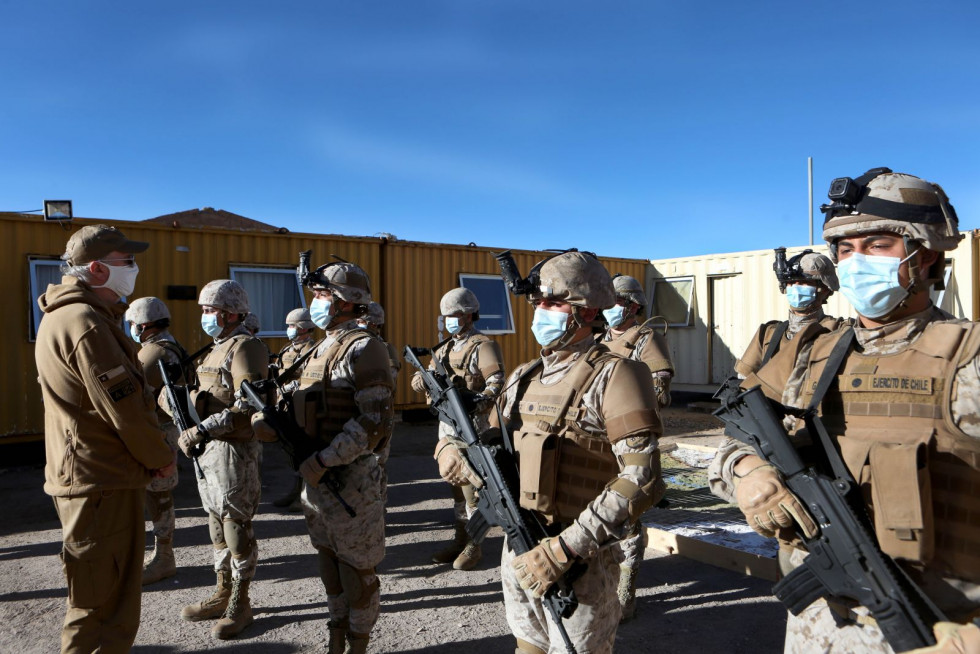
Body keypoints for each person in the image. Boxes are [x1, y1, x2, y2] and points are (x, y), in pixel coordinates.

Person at [712, 168, 980, 653]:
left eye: (877, 245)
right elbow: (736, 438)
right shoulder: (814, 351)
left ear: (927, 255)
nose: (856, 262)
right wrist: (747, 472)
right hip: (819, 626)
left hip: (937, 630)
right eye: (845, 249)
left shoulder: (969, 357)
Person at [438, 251, 665, 654]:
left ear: (585, 309)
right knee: (527, 647)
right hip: (519, 544)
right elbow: (487, 442)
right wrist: (449, 449)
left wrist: (566, 548)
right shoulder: (523, 375)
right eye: (538, 302)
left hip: (579, 557)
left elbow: (641, 479)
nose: (540, 311)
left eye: (552, 302)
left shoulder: (618, 375)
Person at [35, 224, 175, 654]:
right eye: (126, 261)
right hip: (101, 482)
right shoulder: (86, 323)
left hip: (99, 476)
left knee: (106, 594)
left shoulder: (80, 316)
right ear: (96, 269)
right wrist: (160, 456)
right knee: (100, 606)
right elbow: (125, 409)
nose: (134, 268)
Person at [255, 260, 394, 654]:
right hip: (316, 478)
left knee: (356, 569)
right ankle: (337, 630)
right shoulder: (318, 349)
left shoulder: (366, 348)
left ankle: (359, 641)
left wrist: (326, 460)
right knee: (328, 559)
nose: (315, 303)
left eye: (321, 295)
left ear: (346, 301)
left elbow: (374, 423)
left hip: (350, 481)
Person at [177, 280, 268, 640]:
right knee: (216, 524)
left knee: (236, 527)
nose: (203, 317)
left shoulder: (246, 346)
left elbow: (247, 406)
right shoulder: (217, 348)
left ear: (230, 313)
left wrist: (200, 431)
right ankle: (223, 591)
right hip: (210, 451)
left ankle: (240, 603)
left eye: (208, 310)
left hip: (233, 452)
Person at [410, 287, 505, 571]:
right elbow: (426, 372)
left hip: (471, 425)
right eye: (446, 316)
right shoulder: (444, 348)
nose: (449, 320)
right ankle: (460, 538)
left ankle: (474, 546)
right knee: (453, 482)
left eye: (454, 315)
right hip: (446, 425)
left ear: (468, 315)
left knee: (472, 489)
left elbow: (497, 382)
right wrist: (420, 380)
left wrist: (477, 401)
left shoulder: (483, 346)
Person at [598, 273, 674, 620]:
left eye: (616, 303)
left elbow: (659, 387)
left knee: (627, 511)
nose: (610, 309)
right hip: (597, 435)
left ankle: (625, 590)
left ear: (633, 306)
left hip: (630, 434)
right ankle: (602, 575)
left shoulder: (645, 338)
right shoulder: (598, 339)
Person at [124, 296, 187, 585]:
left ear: (145, 325)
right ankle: (161, 554)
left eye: (133, 325)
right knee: (155, 494)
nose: (131, 329)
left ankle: (164, 557)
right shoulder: (171, 346)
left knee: (158, 496)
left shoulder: (153, 354)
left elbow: (132, 399)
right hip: (163, 431)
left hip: (157, 432)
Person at [271, 307, 318, 511]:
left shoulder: (313, 350)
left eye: (292, 326)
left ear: (303, 328)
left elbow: (310, 378)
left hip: (302, 406)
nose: (289, 330)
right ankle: (295, 490)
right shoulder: (287, 349)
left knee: (305, 449)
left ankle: (305, 496)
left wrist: (289, 386)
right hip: (286, 405)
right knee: (291, 451)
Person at [357, 301, 401, 502]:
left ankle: (378, 514)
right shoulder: (355, 347)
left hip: (378, 417)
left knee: (375, 466)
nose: (357, 324)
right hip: (357, 417)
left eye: (361, 321)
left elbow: (387, 382)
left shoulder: (384, 349)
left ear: (373, 324)